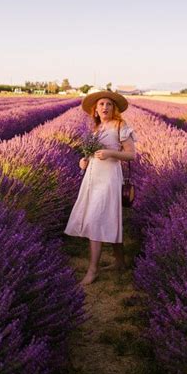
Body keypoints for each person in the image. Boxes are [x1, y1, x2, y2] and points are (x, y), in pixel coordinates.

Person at [64, 90, 137, 286]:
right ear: (95, 110)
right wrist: (84, 161)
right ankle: (120, 262)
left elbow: (132, 155)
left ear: (114, 108)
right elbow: (91, 154)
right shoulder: (96, 129)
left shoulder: (121, 126)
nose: (105, 107)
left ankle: (93, 270)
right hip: (93, 177)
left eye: (109, 104)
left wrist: (110, 153)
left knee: (95, 219)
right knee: (110, 217)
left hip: (109, 178)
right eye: (101, 104)